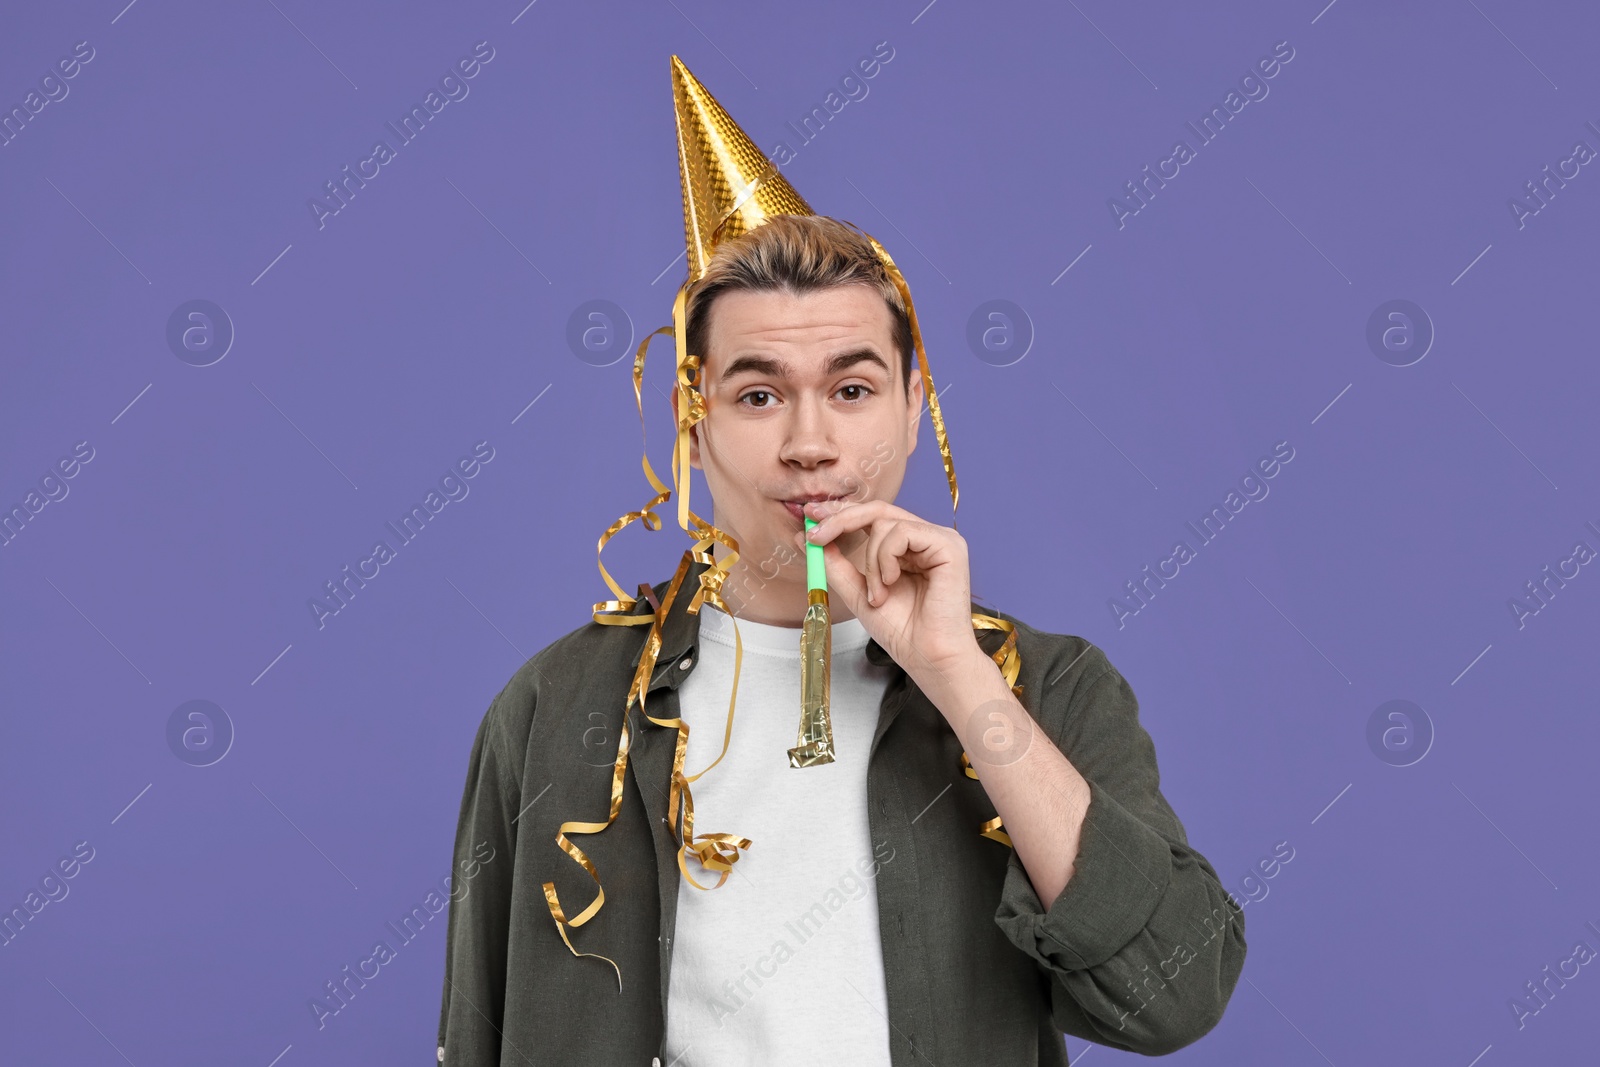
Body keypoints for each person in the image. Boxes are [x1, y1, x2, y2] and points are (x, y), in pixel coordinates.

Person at [436, 57, 1245, 1067]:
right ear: (693, 422)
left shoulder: (1046, 689)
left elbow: (1175, 993)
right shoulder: (555, 706)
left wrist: (954, 674)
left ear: (915, 405)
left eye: (852, 388)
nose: (809, 442)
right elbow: (475, 1038)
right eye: (759, 394)